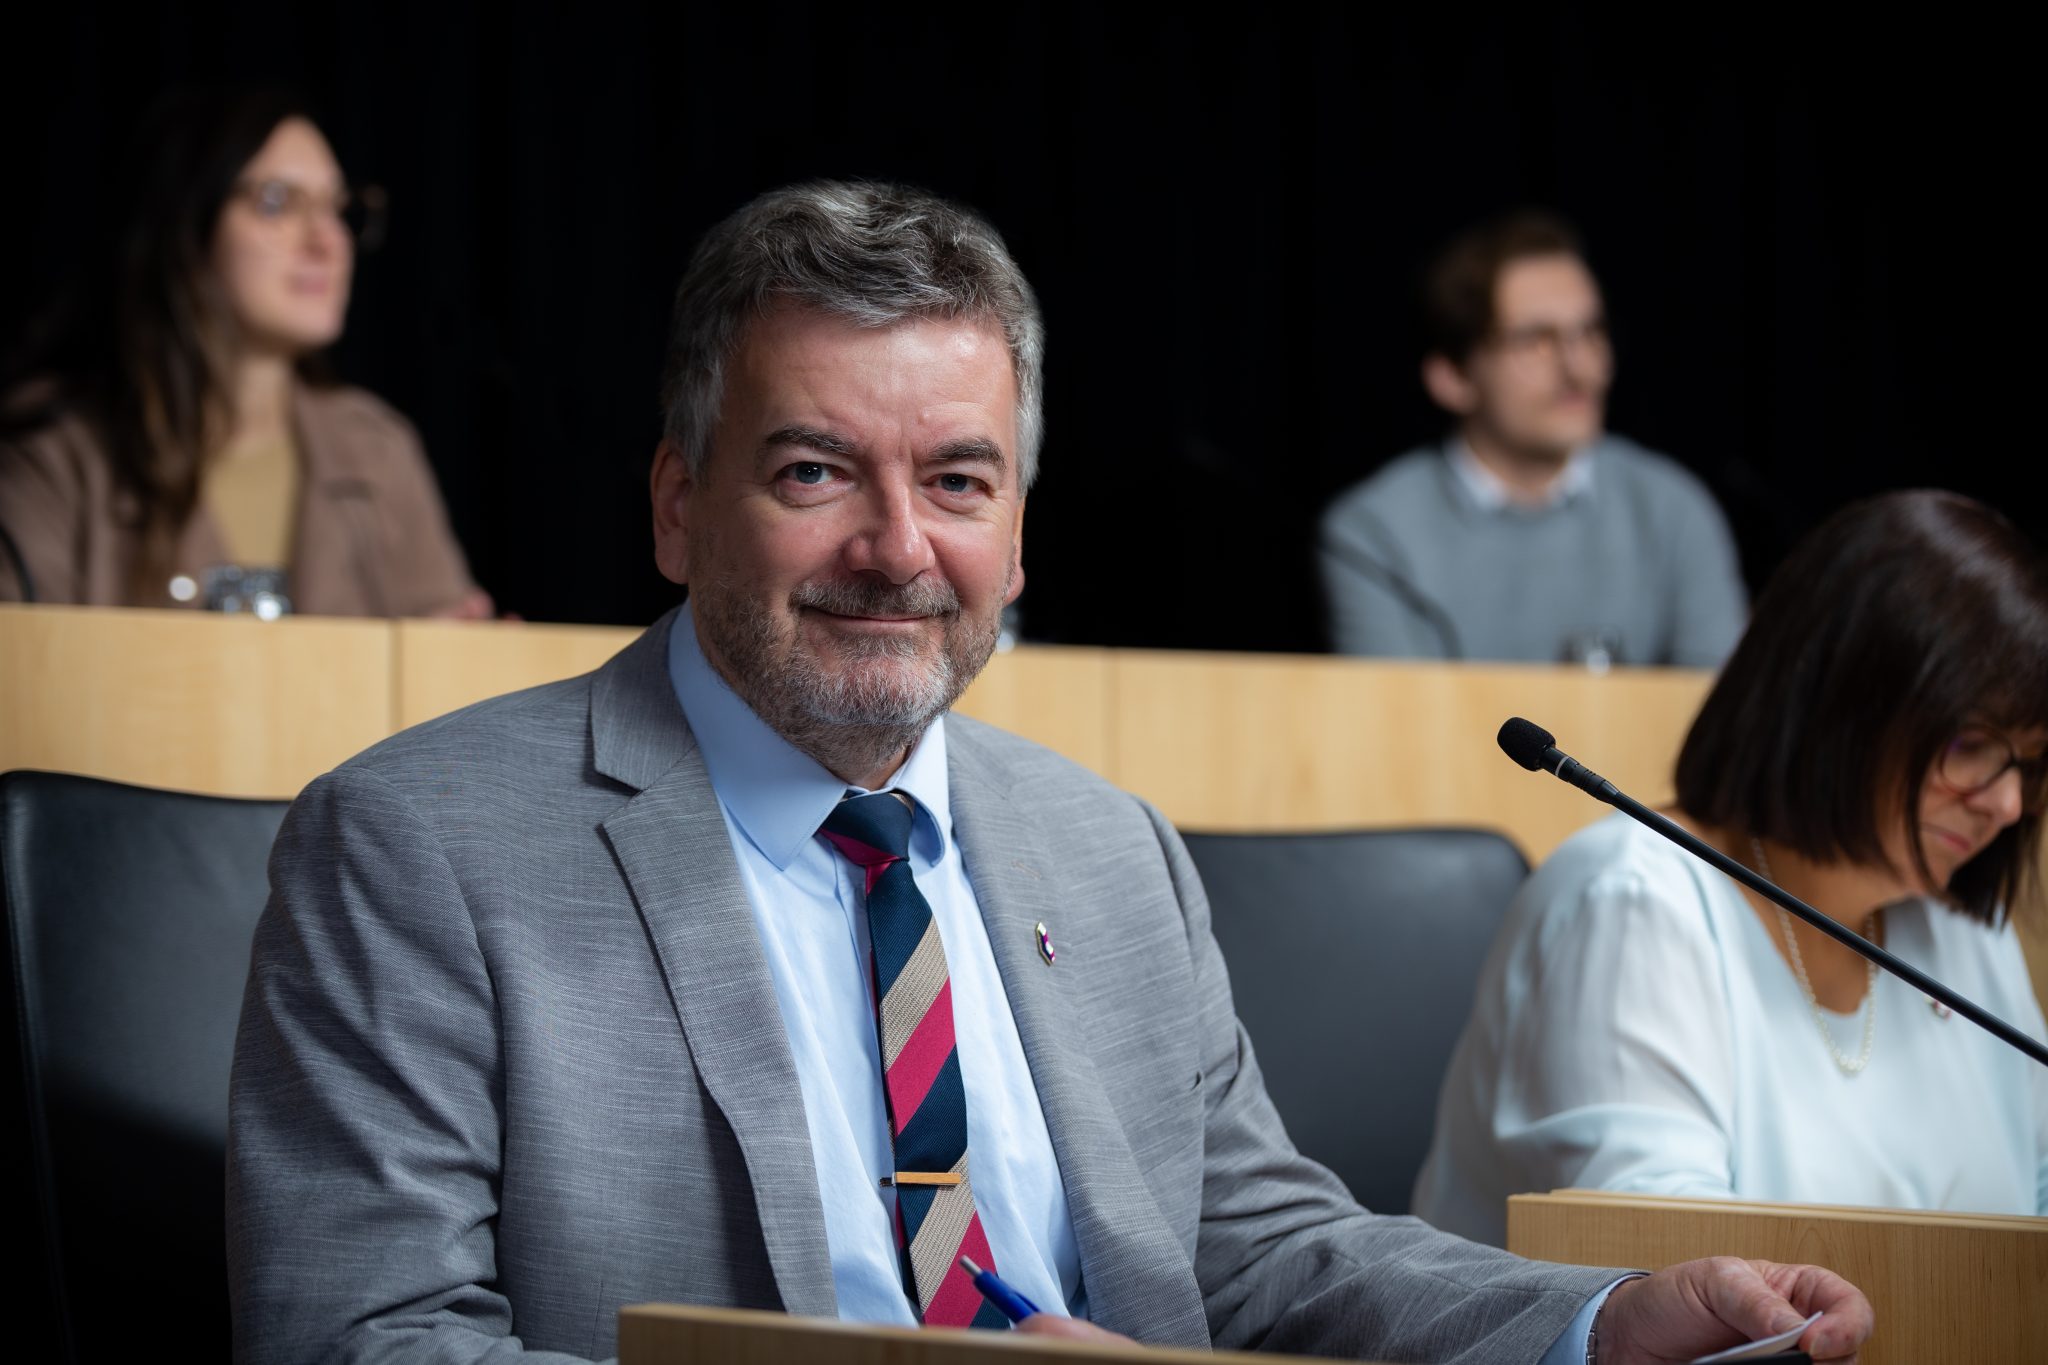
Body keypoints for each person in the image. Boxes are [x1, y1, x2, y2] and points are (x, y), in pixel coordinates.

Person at [228, 181, 1872, 1364]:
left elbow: (1259, 1255)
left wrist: (1593, 1322)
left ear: (1017, 532)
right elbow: (362, 1338)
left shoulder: (1106, 849)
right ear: (674, 507)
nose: (895, 548)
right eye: (813, 471)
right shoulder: (414, 847)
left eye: (957, 478)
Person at [1414, 490, 2048, 1247]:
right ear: (1840, 700)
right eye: (1971, 746)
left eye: (2031, 763)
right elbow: (1666, 1281)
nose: (2008, 803)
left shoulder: (1955, 917)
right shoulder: (1629, 904)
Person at [0, 89, 489, 618]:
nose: (328, 241)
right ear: (187, 225)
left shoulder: (379, 453)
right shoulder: (59, 451)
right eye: (278, 202)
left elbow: (449, 669)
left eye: (338, 208)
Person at [1318, 210, 1745, 667]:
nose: (1578, 368)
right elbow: (1395, 724)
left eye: (1590, 332)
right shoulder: (1373, 535)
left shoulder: (1672, 508)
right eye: (1537, 341)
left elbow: (1723, 715)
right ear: (1452, 377)